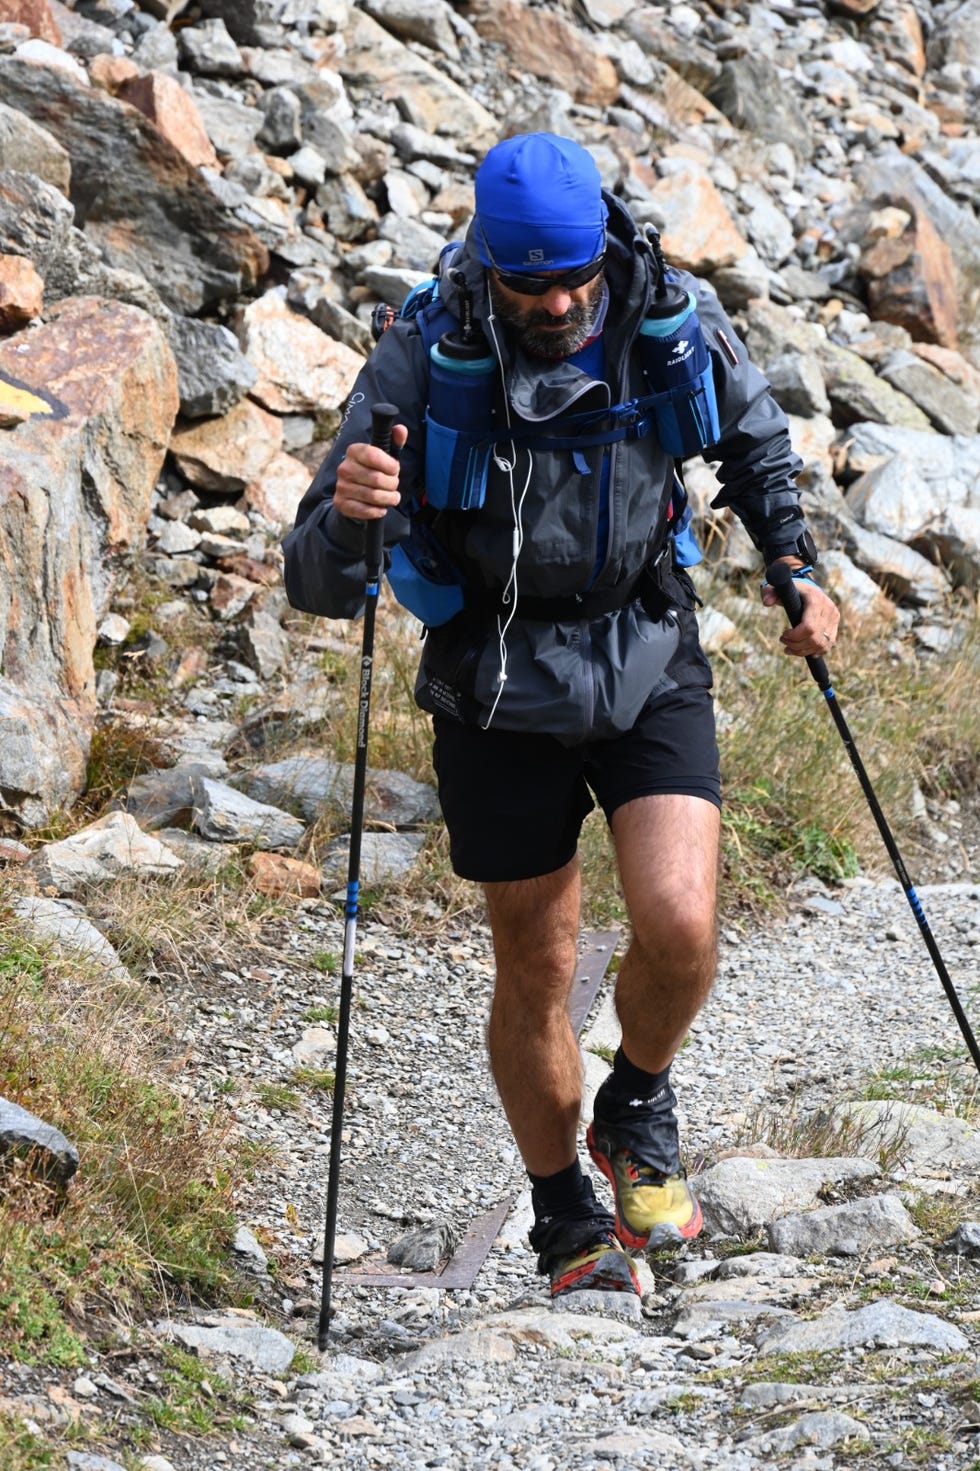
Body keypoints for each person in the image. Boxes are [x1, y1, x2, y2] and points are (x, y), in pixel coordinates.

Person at [283, 132, 840, 1303]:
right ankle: (561, 1221)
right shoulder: (421, 351)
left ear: (600, 251)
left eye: (572, 275)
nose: (557, 300)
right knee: (534, 967)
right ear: (488, 263)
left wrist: (792, 563)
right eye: (529, 281)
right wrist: (349, 518)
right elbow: (318, 578)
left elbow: (752, 441)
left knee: (681, 924)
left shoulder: (663, 311)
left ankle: (633, 1098)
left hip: (643, 646)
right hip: (492, 681)